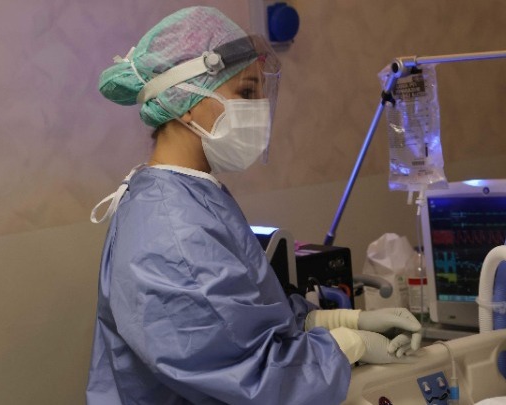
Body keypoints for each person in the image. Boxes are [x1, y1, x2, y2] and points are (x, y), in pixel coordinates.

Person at [86, 7, 421, 404]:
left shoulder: (191, 196)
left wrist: (337, 319)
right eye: (246, 93)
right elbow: (251, 378)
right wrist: (349, 345)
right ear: (185, 101)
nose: (259, 108)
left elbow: (244, 317)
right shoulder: (173, 231)